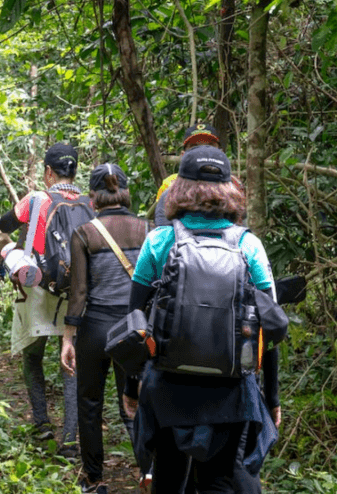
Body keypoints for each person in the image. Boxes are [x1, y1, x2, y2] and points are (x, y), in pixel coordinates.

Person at [125, 146, 279, 493]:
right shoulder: (248, 245)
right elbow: (268, 327)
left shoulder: (159, 241)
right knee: (220, 482)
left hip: (167, 387)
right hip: (231, 391)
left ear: (179, 188)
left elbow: (133, 319)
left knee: (167, 478)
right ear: (230, 190)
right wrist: (272, 397)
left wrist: (131, 385)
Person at [61, 163, 149, 493]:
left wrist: (68, 336)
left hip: (96, 328)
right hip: (134, 329)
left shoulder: (85, 233)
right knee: (136, 402)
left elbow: (79, 291)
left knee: (90, 404)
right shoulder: (147, 229)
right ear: (124, 191)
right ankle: (148, 471)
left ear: (94, 196)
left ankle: (94, 478)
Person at [0, 143, 84, 451]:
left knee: (33, 357)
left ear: (48, 171)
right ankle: (71, 438)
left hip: (37, 287)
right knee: (71, 364)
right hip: (76, 293)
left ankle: (42, 423)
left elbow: (4, 224)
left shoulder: (36, 198)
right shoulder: (87, 203)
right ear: (74, 170)